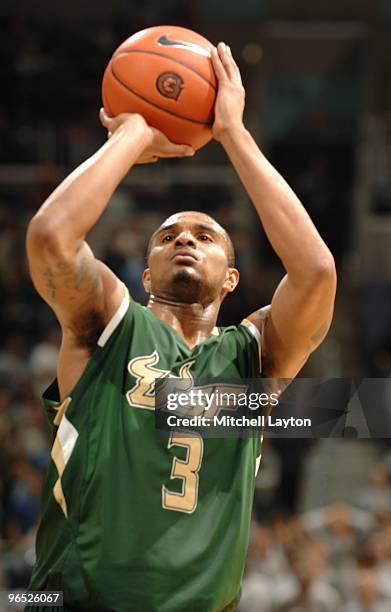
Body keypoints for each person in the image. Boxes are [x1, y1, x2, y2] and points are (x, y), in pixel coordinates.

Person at [25, 43, 336, 612]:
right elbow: (51, 240)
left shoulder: (254, 359)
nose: (185, 239)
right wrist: (132, 136)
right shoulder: (109, 325)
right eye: (167, 237)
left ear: (232, 280)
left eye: (204, 235)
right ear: (146, 274)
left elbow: (315, 272)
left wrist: (233, 135)